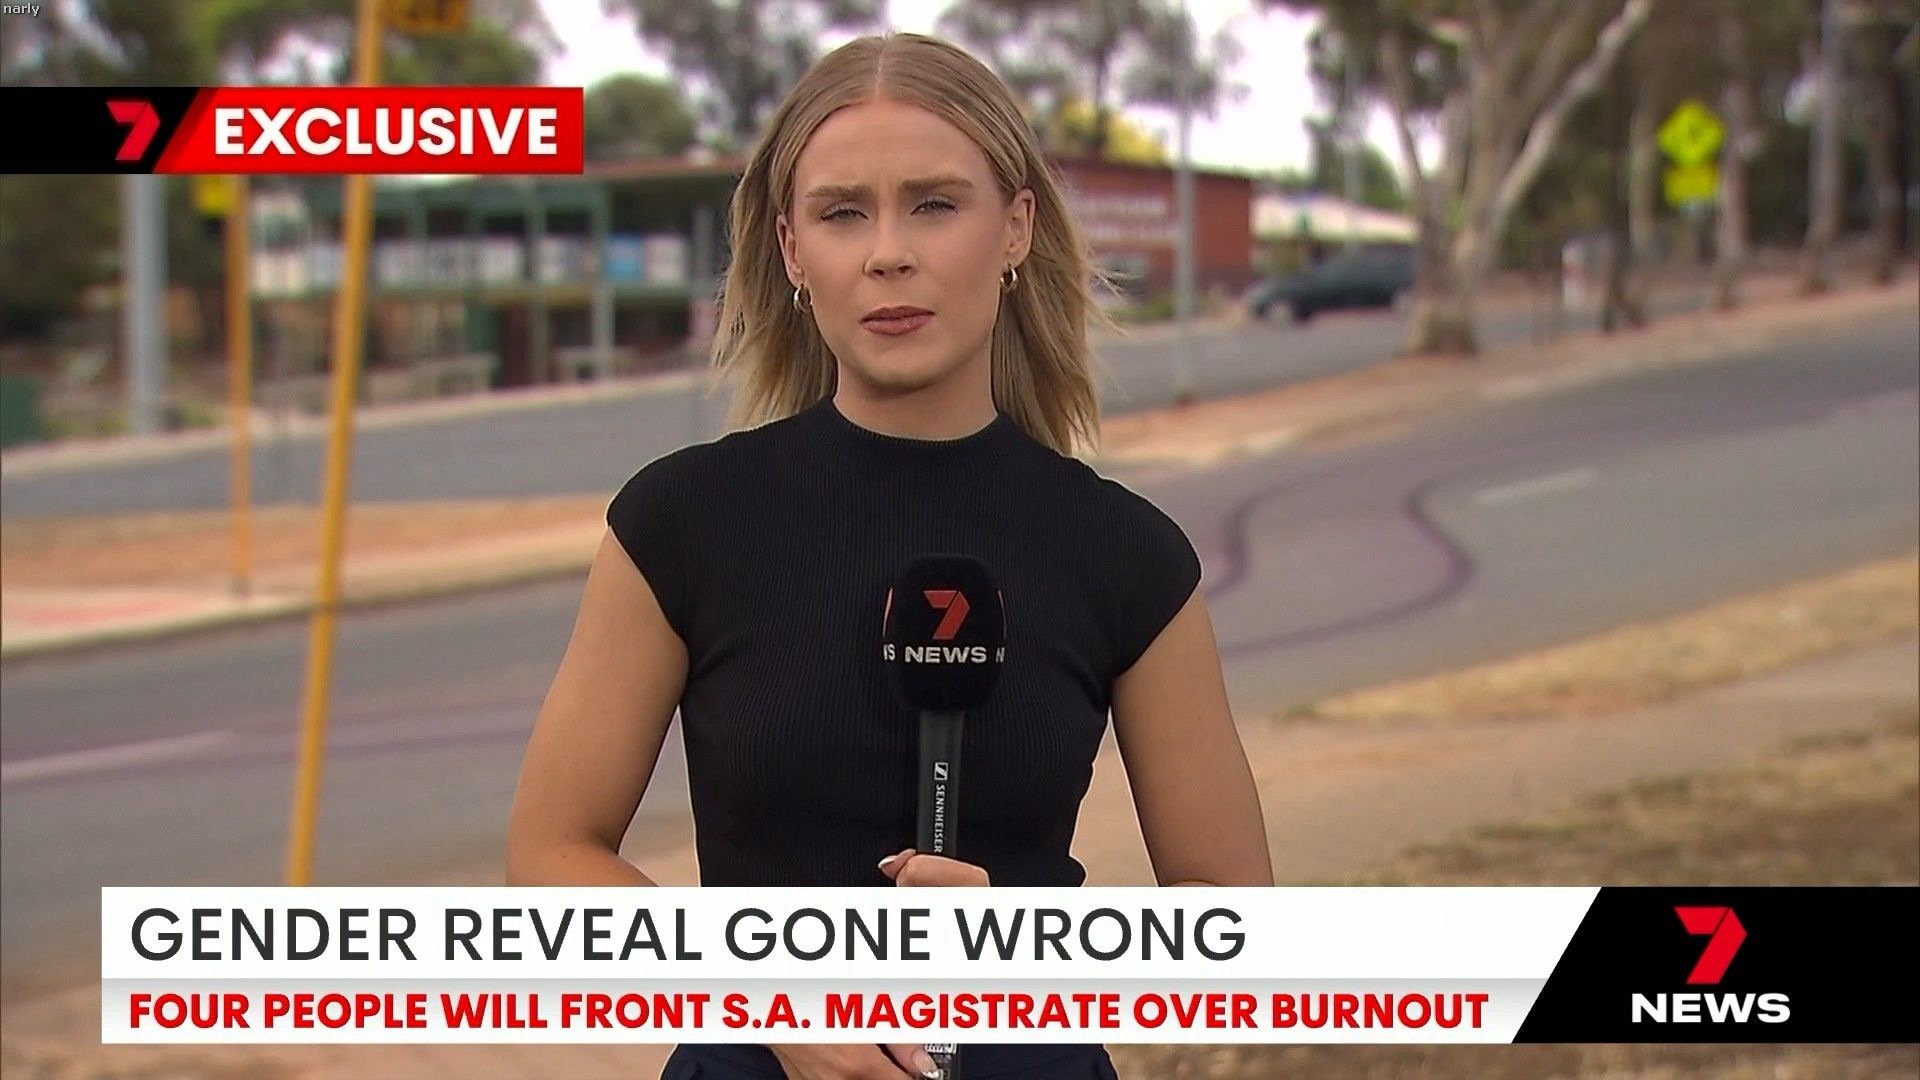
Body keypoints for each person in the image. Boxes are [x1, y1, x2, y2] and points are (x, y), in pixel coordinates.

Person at [505, 31, 1273, 1080]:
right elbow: (551, 855)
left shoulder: (1125, 555)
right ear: (791, 251)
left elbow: (1235, 927)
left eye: (935, 204)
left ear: (1016, 227)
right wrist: (759, 992)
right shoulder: (683, 523)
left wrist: (1028, 949)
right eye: (842, 213)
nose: (887, 253)